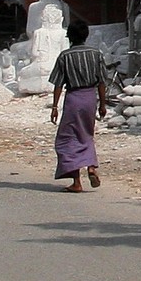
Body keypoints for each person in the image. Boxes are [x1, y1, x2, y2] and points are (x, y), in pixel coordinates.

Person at [48, 20, 107, 193]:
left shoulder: (65, 56)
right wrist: (102, 104)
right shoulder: (96, 54)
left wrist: (54, 107)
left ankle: (76, 182)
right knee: (86, 134)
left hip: (74, 98)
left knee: (67, 138)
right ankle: (90, 166)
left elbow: (58, 84)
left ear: (70, 37)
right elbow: (102, 82)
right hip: (90, 98)